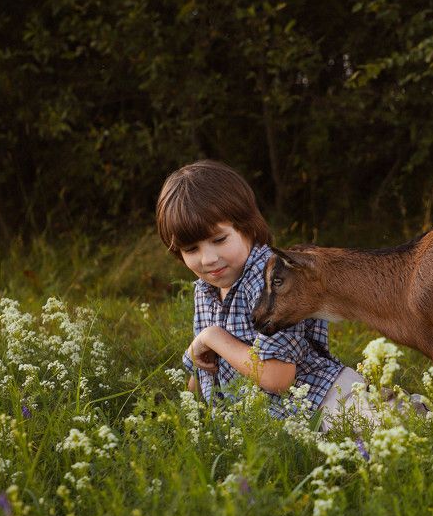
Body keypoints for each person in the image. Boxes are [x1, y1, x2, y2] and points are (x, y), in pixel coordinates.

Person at [156, 159, 380, 430]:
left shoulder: (272, 279)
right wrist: (188, 414)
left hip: (326, 401)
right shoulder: (205, 290)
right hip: (272, 427)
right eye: (191, 249)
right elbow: (208, 368)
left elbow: (277, 377)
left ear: (247, 227)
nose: (208, 259)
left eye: (219, 240)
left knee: (393, 432)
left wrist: (213, 338)